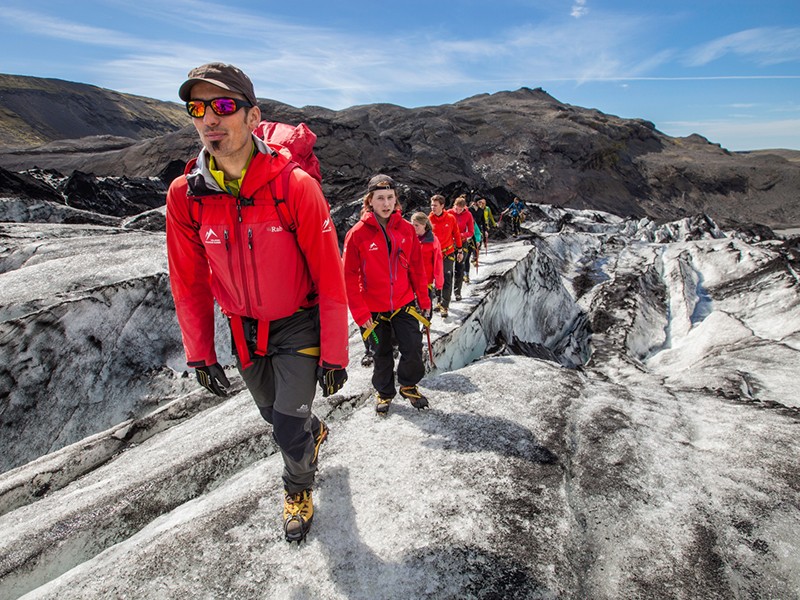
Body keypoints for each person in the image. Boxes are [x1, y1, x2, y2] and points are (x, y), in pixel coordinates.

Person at [166, 62, 349, 544]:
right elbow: (188, 281)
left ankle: (297, 489)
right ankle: (313, 432)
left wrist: (335, 353)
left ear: (252, 117)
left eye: (223, 106)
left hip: (298, 324)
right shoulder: (186, 196)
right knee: (275, 415)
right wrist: (200, 352)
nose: (209, 118)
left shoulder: (295, 186)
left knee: (286, 428)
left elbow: (330, 277)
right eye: (198, 109)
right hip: (244, 330)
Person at [343, 175, 432, 415]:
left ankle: (408, 385)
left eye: (390, 197)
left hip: (404, 303)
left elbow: (417, 267)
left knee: (412, 346)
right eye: (380, 198)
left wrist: (424, 300)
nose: (386, 203)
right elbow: (349, 276)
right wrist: (360, 313)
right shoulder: (357, 234)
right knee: (380, 353)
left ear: (396, 199)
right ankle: (384, 391)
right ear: (370, 201)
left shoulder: (406, 229)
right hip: (373, 310)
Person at [429, 194, 462, 318]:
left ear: (442, 206)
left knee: (447, 278)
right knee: (437, 278)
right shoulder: (429, 219)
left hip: (448, 253)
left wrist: (460, 250)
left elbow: (456, 234)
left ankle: (445, 305)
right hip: (434, 254)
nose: (433, 207)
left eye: (435, 205)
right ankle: (438, 300)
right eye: (432, 205)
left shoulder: (450, 218)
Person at [411, 212, 444, 312]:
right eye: (412, 225)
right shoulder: (410, 238)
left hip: (426, 279)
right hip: (411, 278)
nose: (414, 227)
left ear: (424, 225)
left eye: (416, 225)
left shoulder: (433, 240)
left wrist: (439, 282)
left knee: (426, 306)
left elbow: (438, 262)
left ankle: (427, 320)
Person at [450, 196, 474, 300]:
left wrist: (461, 235)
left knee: (459, 268)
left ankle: (457, 292)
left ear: (464, 207)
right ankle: (446, 294)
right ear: (454, 206)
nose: (458, 211)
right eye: (457, 209)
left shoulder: (468, 215)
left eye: (461, 209)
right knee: (447, 269)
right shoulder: (449, 213)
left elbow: (471, 232)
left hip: (462, 242)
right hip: (449, 243)